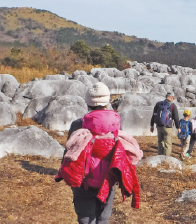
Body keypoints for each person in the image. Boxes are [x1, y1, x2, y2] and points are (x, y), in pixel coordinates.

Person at [55, 82, 143, 224]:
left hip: (83, 181)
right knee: (103, 219)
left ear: (87, 102)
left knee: (86, 219)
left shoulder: (78, 124)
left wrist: (62, 172)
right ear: (107, 102)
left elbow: (69, 152)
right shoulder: (116, 123)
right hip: (108, 179)